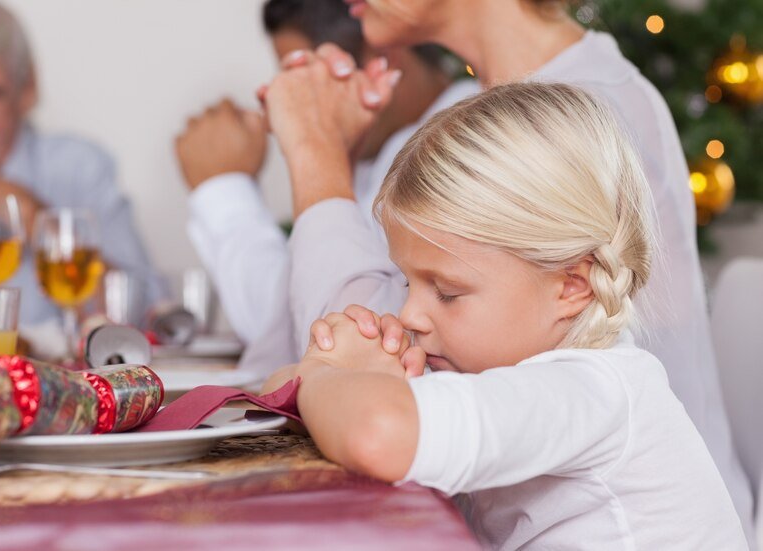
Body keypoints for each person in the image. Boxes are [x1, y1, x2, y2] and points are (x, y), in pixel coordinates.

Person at [263, 0, 756, 541]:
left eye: (446, 293)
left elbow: (379, 433)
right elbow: (286, 388)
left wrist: (325, 378)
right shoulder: (502, 363)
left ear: (573, 284)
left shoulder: (594, 390)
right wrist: (326, 371)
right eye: (408, 282)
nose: (408, 315)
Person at [174, 0, 479, 374]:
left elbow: (334, 343)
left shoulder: (464, 143)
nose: (285, 97)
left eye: (306, 79)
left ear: (383, 56)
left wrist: (305, 148)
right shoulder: (380, 152)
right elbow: (293, 318)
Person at [0, 0, 164, 332]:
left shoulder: (77, 166)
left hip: (56, 381)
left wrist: (32, 218)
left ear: (27, 88)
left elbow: (144, 310)